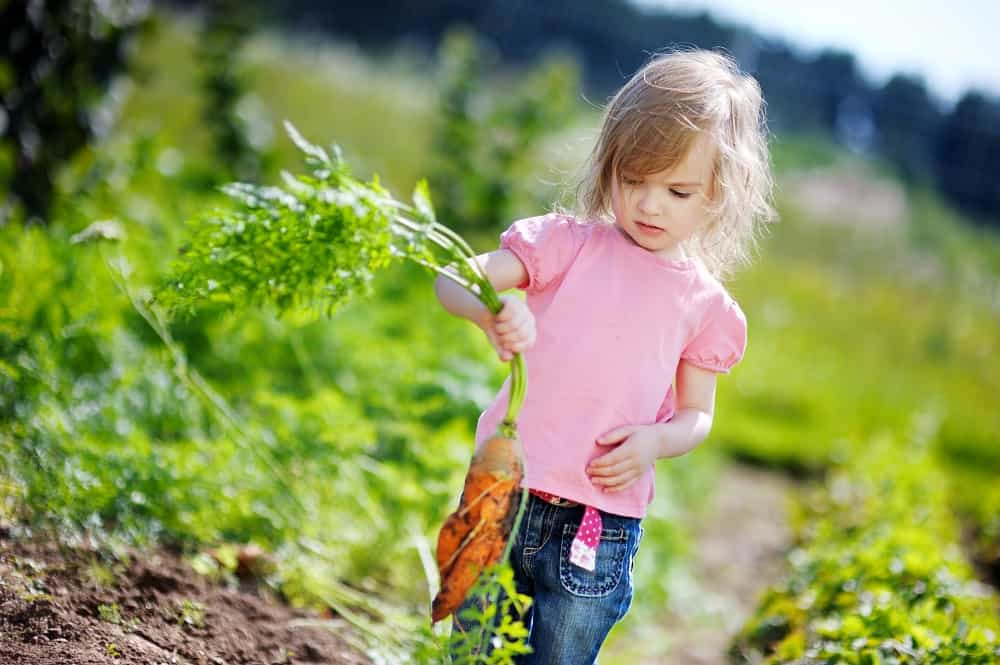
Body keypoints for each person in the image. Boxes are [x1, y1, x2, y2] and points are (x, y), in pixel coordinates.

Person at [433, 48, 776, 664]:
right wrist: (489, 309)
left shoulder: (705, 306)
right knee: (475, 652)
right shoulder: (567, 245)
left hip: (598, 519)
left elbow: (697, 415)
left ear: (719, 195)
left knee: (561, 655)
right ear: (608, 167)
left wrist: (654, 442)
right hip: (504, 489)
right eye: (632, 180)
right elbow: (453, 279)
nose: (649, 204)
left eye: (676, 190)